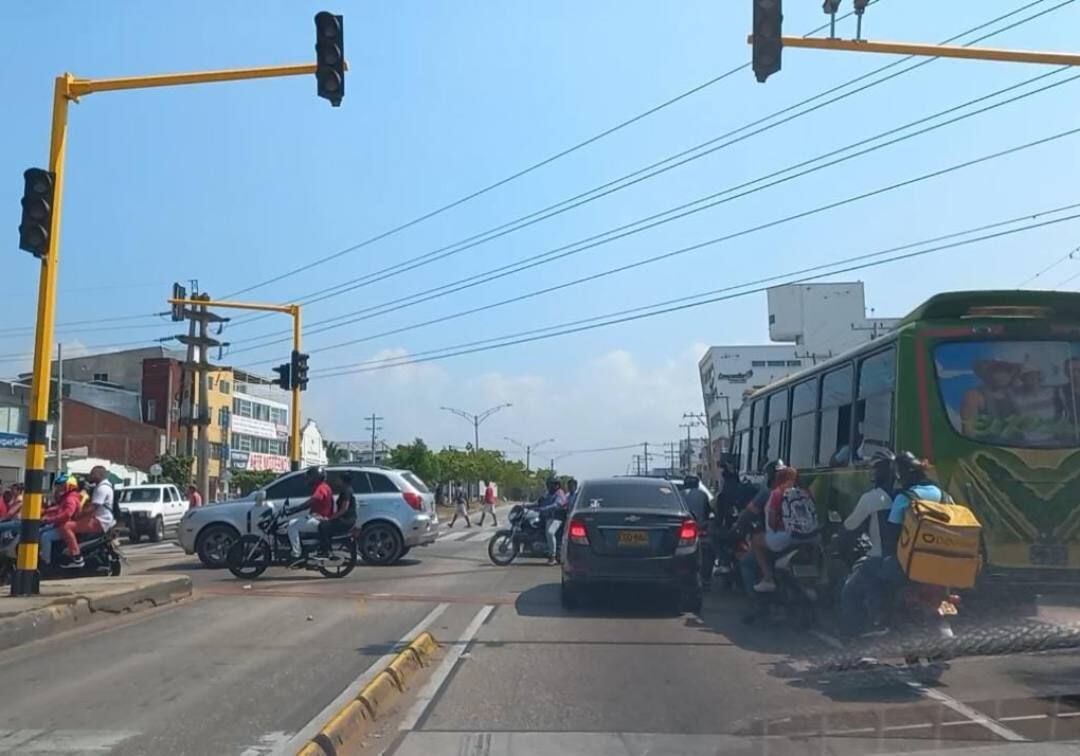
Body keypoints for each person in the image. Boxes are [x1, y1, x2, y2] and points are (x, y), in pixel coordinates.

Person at [839, 451, 896, 634]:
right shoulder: (903, 495)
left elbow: (850, 526)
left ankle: (856, 636)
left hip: (879, 558)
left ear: (878, 472)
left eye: (874, 469)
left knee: (849, 591)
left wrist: (838, 540)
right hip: (905, 559)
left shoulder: (871, 498)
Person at [882, 451, 949, 587]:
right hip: (943, 562)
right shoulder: (944, 496)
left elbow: (891, 534)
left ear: (906, 474)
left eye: (899, 475)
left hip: (911, 564)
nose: (898, 480)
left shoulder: (904, 498)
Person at [752, 464, 818, 593]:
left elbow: (771, 521)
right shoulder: (806, 492)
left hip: (788, 536)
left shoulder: (777, 493)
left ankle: (768, 578)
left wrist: (775, 528)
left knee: (756, 541)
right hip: (812, 535)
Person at [59, 465, 117, 569]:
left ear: (99, 475)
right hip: (100, 519)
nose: (90, 476)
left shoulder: (102, 488)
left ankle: (77, 558)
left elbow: (93, 507)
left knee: (66, 527)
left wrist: (77, 515)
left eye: (93, 474)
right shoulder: (102, 487)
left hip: (100, 521)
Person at [286, 466, 334, 566]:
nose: (307, 480)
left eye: (309, 477)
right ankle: (302, 548)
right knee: (295, 522)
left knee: (292, 525)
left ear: (315, 478)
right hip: (318, 518)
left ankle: (296, 553)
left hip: (319, 519)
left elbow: (311, 501)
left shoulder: (321, 488)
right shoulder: (323, 486)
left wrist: (295, 509)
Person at [40, 474, 83, 566]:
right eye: (59, 486)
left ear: (69, 486)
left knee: (45, 536)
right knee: (41, 530)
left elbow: (66, 515)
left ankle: (45, 562)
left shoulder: (70, 499)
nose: (59, 488)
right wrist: (45, 511)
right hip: (60, 524)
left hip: (64, 526)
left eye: (61, 485)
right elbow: (59, 507)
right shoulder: (68, 497)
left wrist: (49, 520)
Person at [682, 474, 714, 588]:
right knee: (710, 550)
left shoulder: (679, 495)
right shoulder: (703, 494)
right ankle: (706, 579)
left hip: (684, 529)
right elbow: (709, 512)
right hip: (700, 528)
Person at [317, 472, 357, 557]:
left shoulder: (346, 491)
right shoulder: (347, 490)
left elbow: (344, 509)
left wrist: (330, 518)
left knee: (323, 526)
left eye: (338, 479)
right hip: (348, 519)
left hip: (346, 520)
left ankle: (326, 551)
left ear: (343, 480)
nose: (337, 480)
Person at [538, 477, 568, 565]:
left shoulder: (560, 493)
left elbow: (556, 505)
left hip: (558, 519)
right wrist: (528, 506)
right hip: (549, 518)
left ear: (557, 485)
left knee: (550, 533)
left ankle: (552, 556)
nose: (549, 486)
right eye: (548, 484)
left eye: (551, 484)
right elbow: (541, 502)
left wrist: (544, 508)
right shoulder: (548, 494)